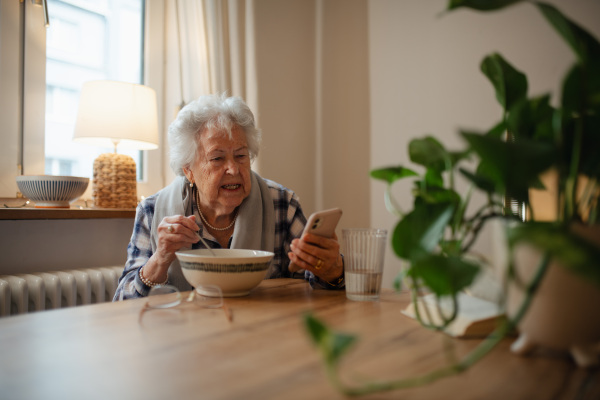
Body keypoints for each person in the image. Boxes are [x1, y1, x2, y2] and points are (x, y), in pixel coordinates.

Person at [114, 93, 345, 300]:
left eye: (241, 155)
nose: (233, 169)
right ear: (188, 170)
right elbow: (122, 302)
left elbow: (320, 291)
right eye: (217, 158)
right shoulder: (152, 211)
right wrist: (160, 258)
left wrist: (332, 270)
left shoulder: (282, 205)